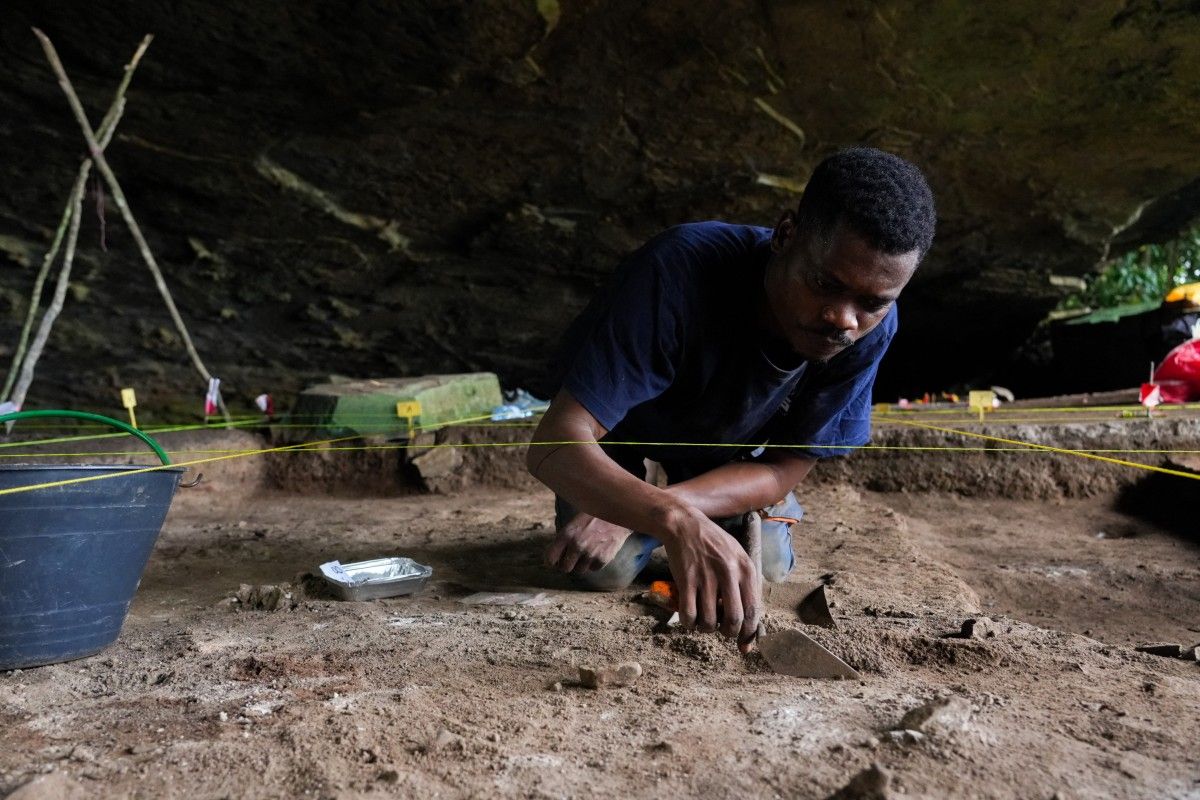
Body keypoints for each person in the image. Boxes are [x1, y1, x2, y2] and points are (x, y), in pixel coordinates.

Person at [525, 147, 936, 651]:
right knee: (602, 571)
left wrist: (667, 509)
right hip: (622, 443)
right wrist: (671, 520)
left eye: (873, 303)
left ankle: (704, 506)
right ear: (786, 235)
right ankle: (672, 505)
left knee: (766, 568)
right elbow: (553, 445)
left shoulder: (869, 330)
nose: (844, 320)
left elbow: (786, 467)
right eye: (827, 284)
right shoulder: (676, 269)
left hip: (729, 457)